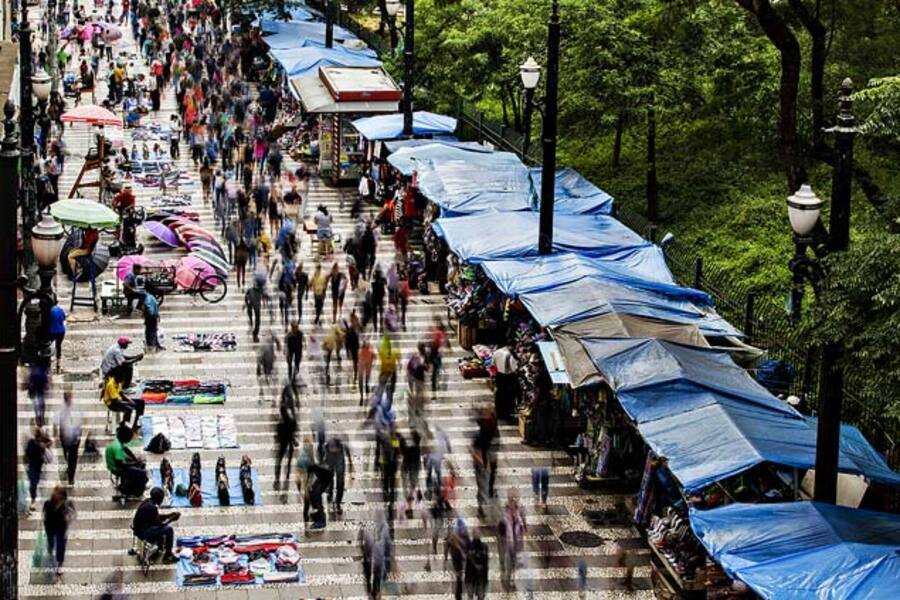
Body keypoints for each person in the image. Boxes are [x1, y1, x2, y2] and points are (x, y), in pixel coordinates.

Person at [132, 487, 180, 563]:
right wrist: (171, 519)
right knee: (169, 530)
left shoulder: (147, 502)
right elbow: (160, 524)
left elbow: (155, 517)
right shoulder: (152, 508)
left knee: (160, 530)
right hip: (142, 533)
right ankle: (168, 555)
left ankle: (160, 547)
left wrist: (169, 515)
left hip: (140, 529)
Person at [105, 424, 148, 497]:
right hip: (117, 468)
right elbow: (121, 465)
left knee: (141, 465)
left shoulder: (118, 442)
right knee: (143, 473)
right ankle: (136, 491)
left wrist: (135, 459)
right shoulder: (117, 448)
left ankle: (130, 484)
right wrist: (134, 463)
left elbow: (126, 450)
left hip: (120, 463)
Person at [43, 485, 76, 579]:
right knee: (51, 543)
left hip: (61, 527)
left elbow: (73, 514)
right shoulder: (48, 503)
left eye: (58, 493)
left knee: (61, 545)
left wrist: (68, 518)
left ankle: (60, 564)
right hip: (50, 527)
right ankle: (50, 552)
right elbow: (45, 514)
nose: (55, 495)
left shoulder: (67, 504)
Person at [54, 391, 82, 486]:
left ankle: (71, 477)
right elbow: (56, 422)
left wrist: (78, 437)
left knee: (72, 459)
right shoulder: (61, 409)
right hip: (65, 437)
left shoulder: (75, 408)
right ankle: (69, 469)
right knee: (67, 454)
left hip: (73, 438)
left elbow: (79, 424)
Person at [324, 434, 353, 515]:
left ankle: (338, 502)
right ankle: (330, 494)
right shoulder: (327, 443)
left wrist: (350, 463)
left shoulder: (342, 440)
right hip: (330, 458)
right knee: (330, 478)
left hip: (339, 459)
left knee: (340, 482)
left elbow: (347, 449)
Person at [24, 428, 52, 509]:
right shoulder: (32, 442)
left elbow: (50, 442)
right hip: (34, 465)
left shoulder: (37, 441)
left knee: (35, 484)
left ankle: (35, 500)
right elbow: (27, 453)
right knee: (34, 484)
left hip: (37, 465)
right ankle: (34, 500)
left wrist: (44, 446)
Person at [444, 518, 471, 600]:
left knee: (460, 578)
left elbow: (446, 546)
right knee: (459, 578)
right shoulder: (458, 537)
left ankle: (459, 594)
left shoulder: (460, 536)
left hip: (459, 560)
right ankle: (459, 595)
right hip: (457, 560)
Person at [274, 398, 297, 488]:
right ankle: (286, 475)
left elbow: (278, 436)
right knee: (288, 461)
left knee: (279, 460)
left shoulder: (280, 424)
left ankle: (277, 477)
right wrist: (293, 440)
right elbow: (293, 433)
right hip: (289, 443)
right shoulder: (292, 421)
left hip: (283, 444)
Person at [310, 262, 329, 326]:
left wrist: (324, 290)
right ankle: (318, 316)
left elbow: (326, 281)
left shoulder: (323, 273)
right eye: (317, 268)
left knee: (320, 305)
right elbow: (311, 281)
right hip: (316, 292)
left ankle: (317, 317)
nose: (318, 269)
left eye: (318, 268)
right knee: (318, 305)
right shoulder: (314, 274)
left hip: (321, 292)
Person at [358, 337, 374, 405]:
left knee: (361, 381)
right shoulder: (369, 350)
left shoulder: (361, 351)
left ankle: (362, 394)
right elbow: (374, 356)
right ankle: (366, 389)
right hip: (366, 367)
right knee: (365, 379)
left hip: (363, 367)